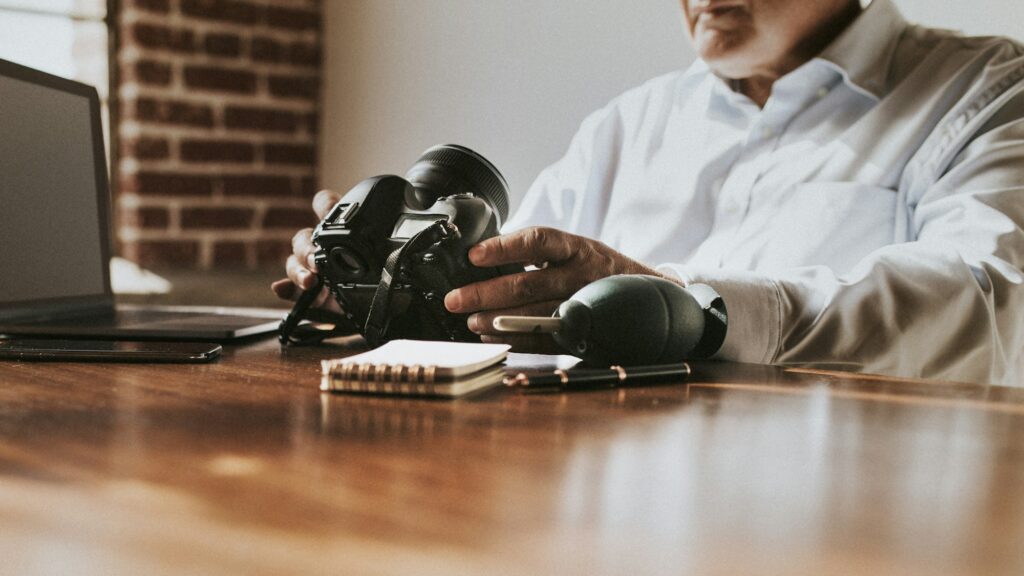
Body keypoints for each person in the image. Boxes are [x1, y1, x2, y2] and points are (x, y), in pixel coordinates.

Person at [274, 0, 1024, 385]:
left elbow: (987, 302)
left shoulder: (987, 89)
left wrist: (687, 305)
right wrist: (387, 287)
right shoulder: (628, 124)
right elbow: (505, 299)